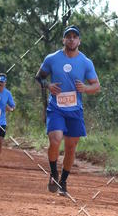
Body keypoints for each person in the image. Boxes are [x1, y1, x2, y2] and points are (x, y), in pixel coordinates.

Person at [35, 26, 100, 197]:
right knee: (55, 139)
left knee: (71, 148)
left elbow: (96, 85)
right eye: (68, 37)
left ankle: (63, 181)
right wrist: (48, 85)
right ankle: (53, 173)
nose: (71, 39)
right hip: (56, 108)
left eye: (74, 37)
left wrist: (85, 88)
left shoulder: (86, 62)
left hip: (75, 111)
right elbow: (39, 77)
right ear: (63, 40)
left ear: (79, 41)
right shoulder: (52, 59)